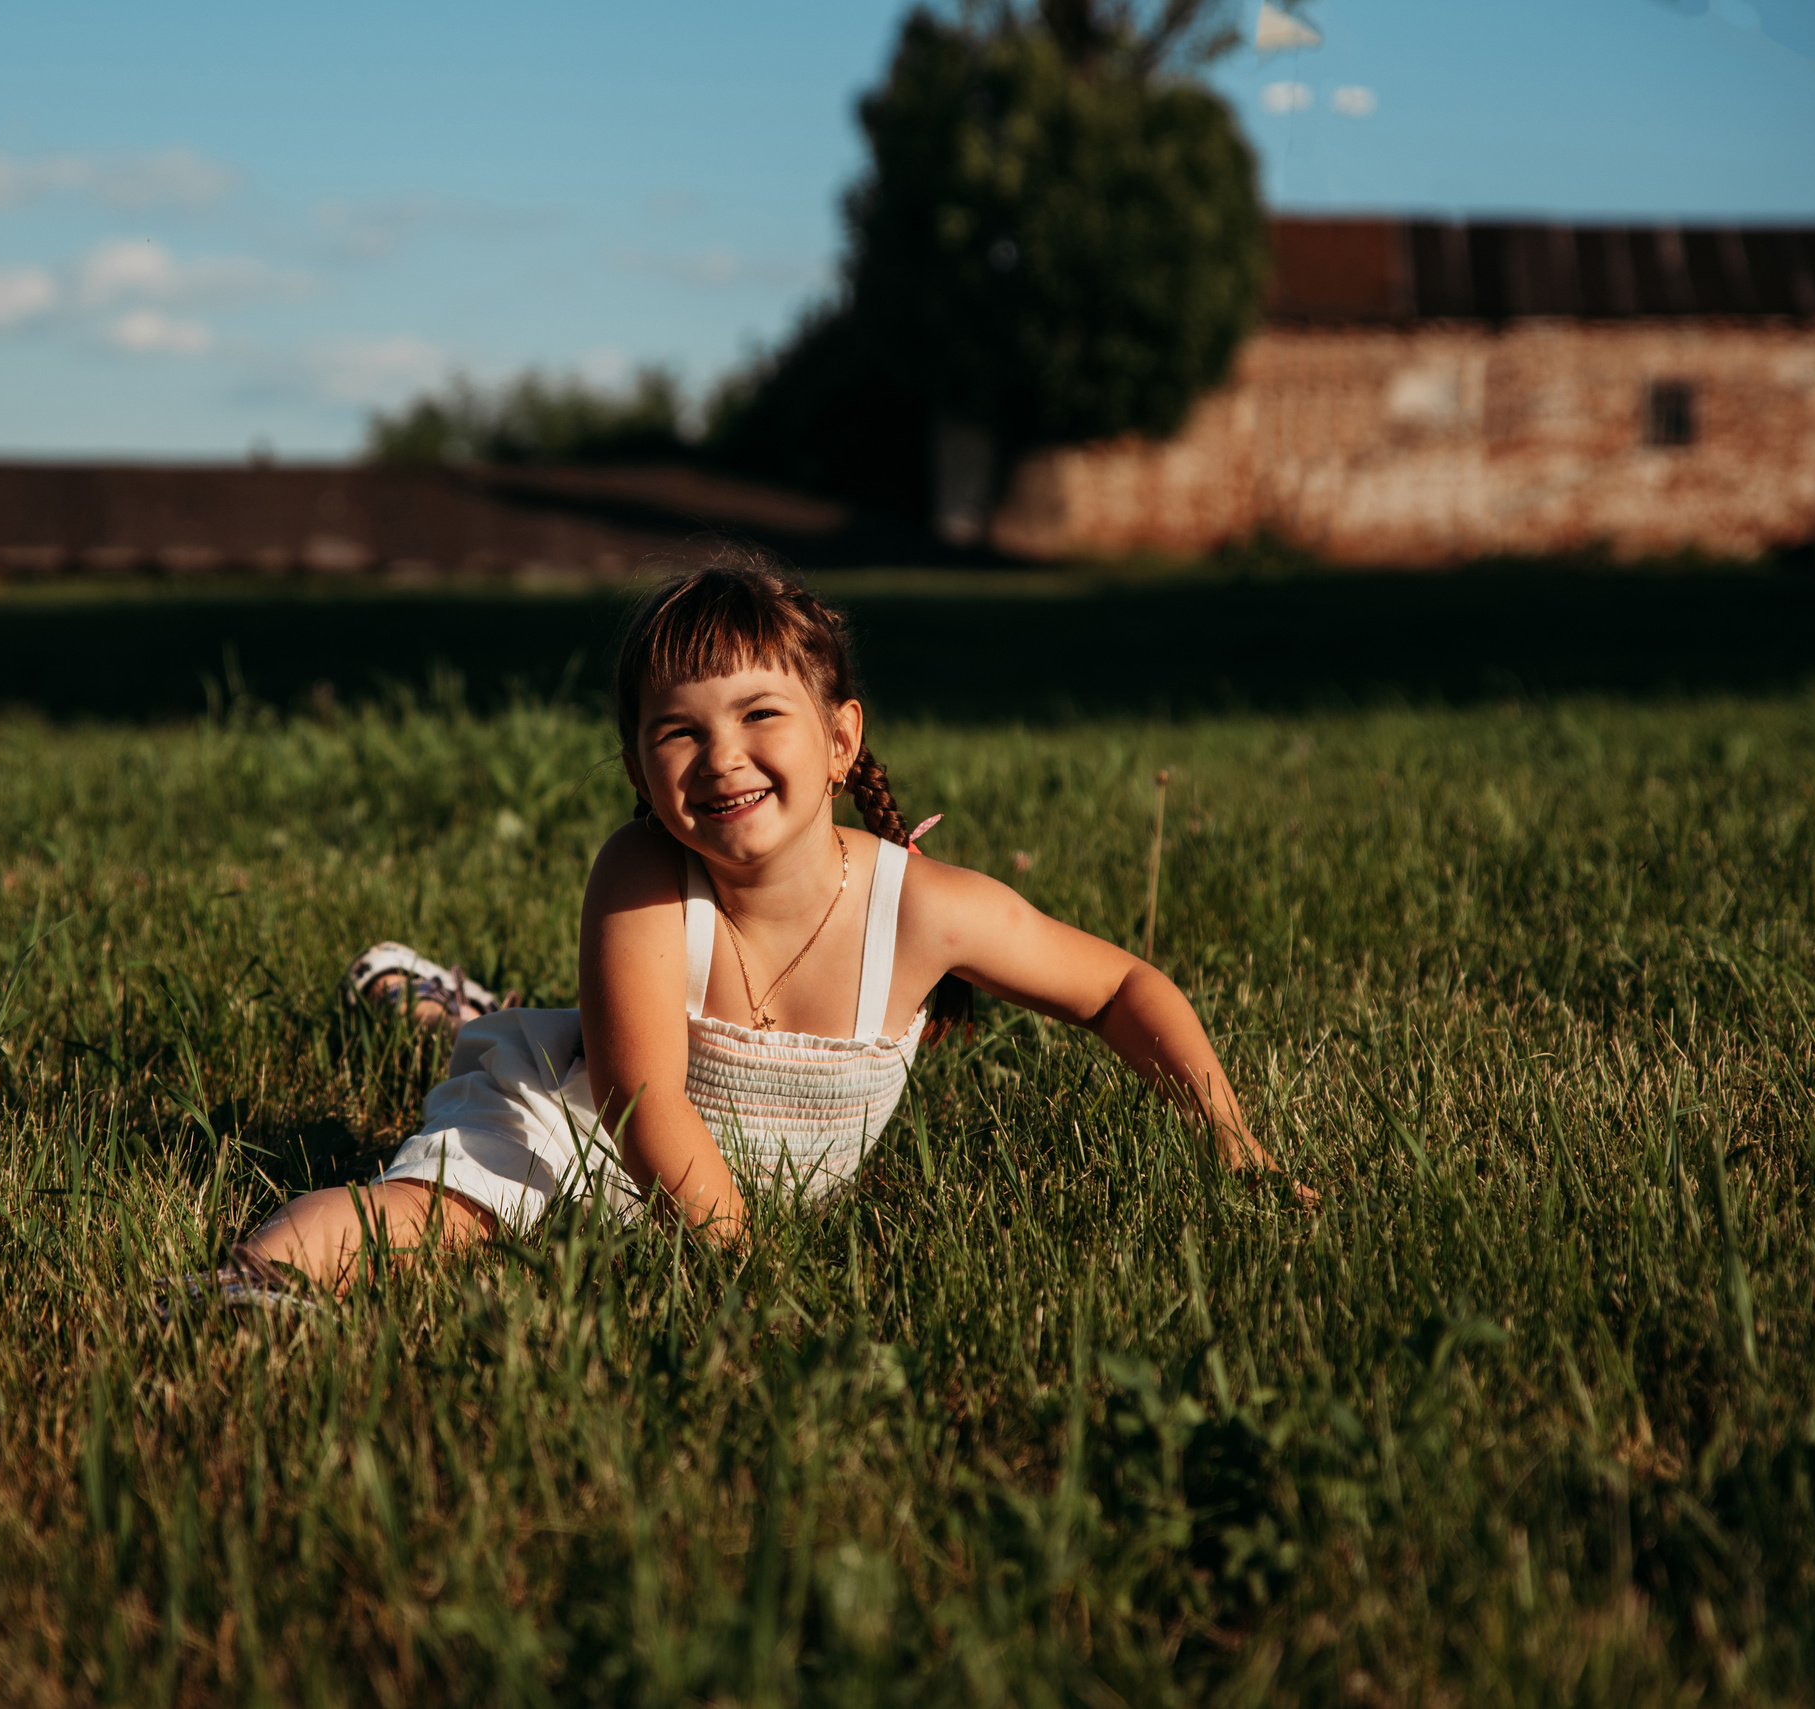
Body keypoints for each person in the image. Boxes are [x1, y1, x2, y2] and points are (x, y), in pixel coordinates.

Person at [216, 556, 1301, 1298]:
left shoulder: (921, 907)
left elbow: (1120, 990)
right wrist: (746, 1268)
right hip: (592, 1130)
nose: (721, 756)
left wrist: (1234, 1145)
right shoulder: (641, 872)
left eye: (758, 715)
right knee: (438, 1217)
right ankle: (246, 1290)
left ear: (840, 741)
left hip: (703, 1169)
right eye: (677, 732)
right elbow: (643, 1099)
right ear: (642, 768)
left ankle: (456, 1002)